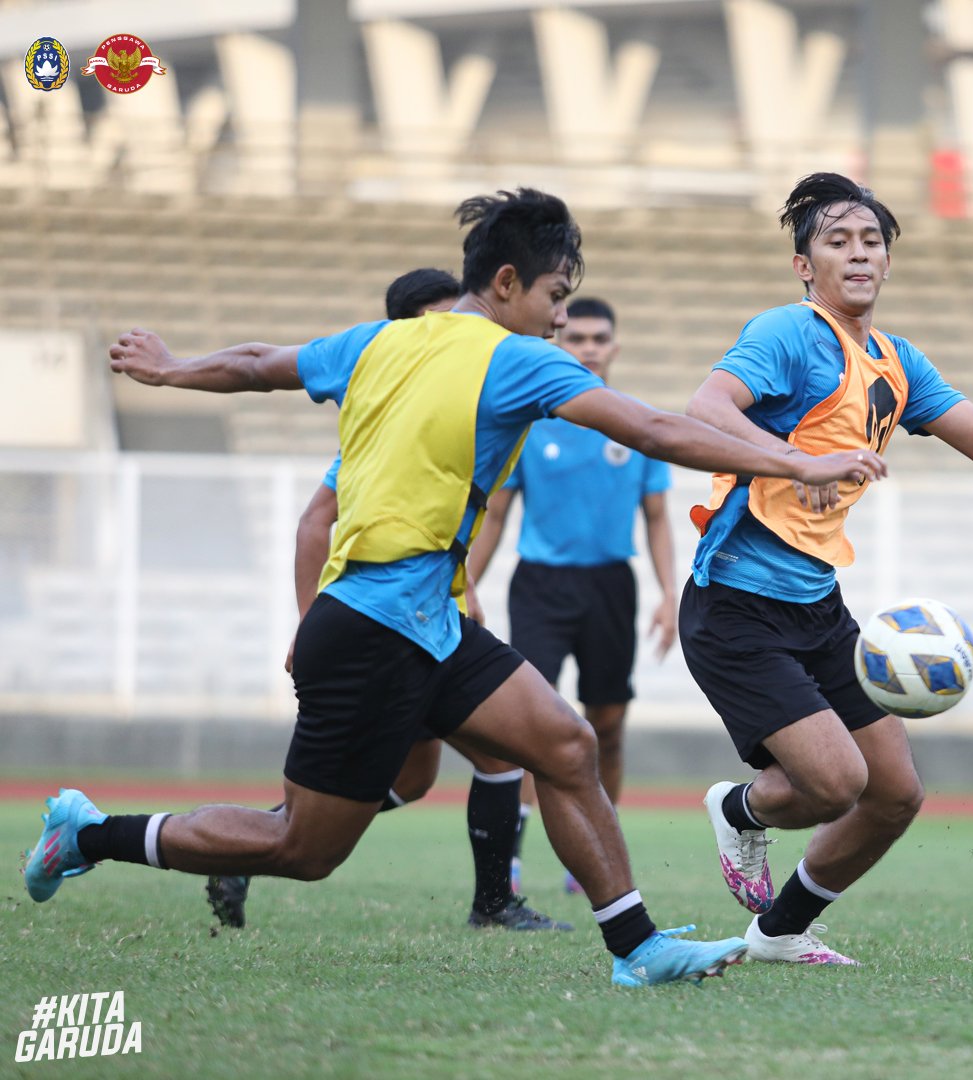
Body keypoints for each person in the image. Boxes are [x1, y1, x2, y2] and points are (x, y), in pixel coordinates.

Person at [26, 187, 883, 989]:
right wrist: (802, 461)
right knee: (302, 846)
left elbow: (258, 361)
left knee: (566, 744)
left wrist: (173, 369)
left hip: (430, 619)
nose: (561, 316)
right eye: (555, 295)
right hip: (369, 623)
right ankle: (89, 835)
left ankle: (638, 948)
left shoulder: (378, 339)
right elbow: (659, 428)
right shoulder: (514, 362)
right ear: (506, 284)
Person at [680, 172, 973, 965]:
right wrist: (800, 462)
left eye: (872, 240)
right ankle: (742, 810)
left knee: (894, 795)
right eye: (837, 240)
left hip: (818, 606)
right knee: (834, 784)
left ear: (887, 261)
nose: (858, 253)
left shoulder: (897, 361)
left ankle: (780, 935)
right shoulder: (788, 331)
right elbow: (705, 412)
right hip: (737, 606)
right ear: (804, 265)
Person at [208, 267, 571, 934]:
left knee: (419, 774)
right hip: (388, 627)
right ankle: (493, 903)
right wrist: (311, 617)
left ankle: (251, 849)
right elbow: (317, 520)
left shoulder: (465, 398)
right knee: (500, 757)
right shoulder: (388, 426)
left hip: (431, 617)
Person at [469, 297, 676, 896]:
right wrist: (465, 583)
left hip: (612, 585)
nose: (588, 346)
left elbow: (658, 516)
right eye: (577, 337)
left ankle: (590, 856)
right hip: (541, 585)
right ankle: (508, 856)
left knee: (607, 725)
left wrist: (669, 594)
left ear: (614, 346)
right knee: (531, 722)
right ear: (562, 344)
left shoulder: (636, 423)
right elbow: (498, 511)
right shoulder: (532, 423)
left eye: (599, 338)